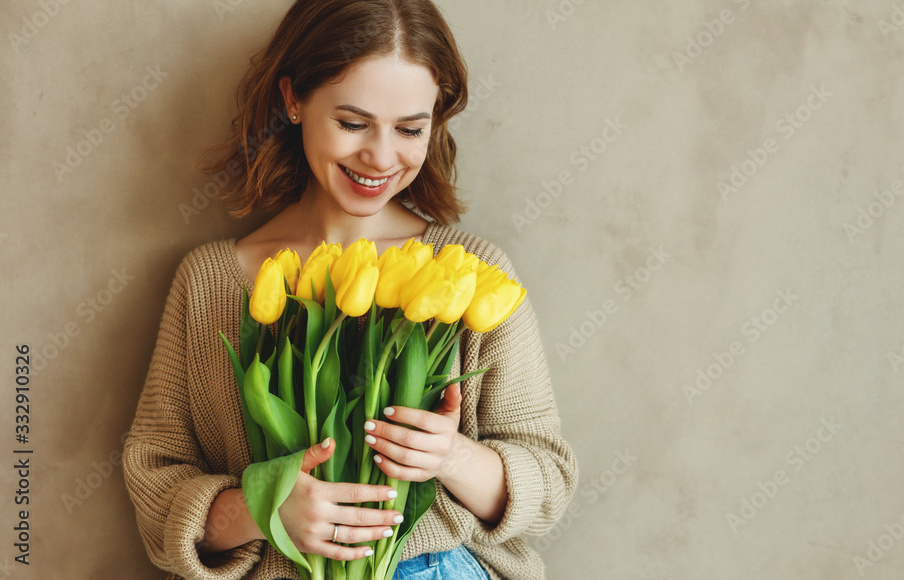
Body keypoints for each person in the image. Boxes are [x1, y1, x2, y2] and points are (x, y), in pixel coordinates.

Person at [122, 1, 578, 579]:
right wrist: (265, 510)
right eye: (353, 123)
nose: (382, 157)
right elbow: (156, 476)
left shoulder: (467, 272)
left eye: (410, 128)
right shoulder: (210, 280)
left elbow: (548, 484)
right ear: (293, 100)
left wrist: (450, 455)